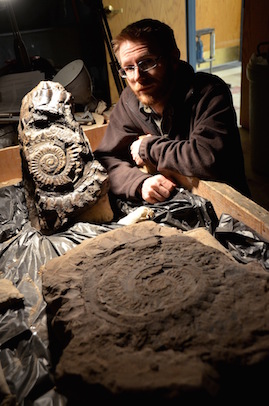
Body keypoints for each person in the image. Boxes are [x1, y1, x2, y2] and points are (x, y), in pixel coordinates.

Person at [95, 18, 250, 206]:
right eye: (129, 68)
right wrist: (139, 183)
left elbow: (208, 158)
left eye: (147, 62)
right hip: (174, 206)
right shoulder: (130, 100)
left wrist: (149, 147)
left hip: (225, 211)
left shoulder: (210, 92)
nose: (137, 77)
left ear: (173, 58)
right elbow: (106, 159)